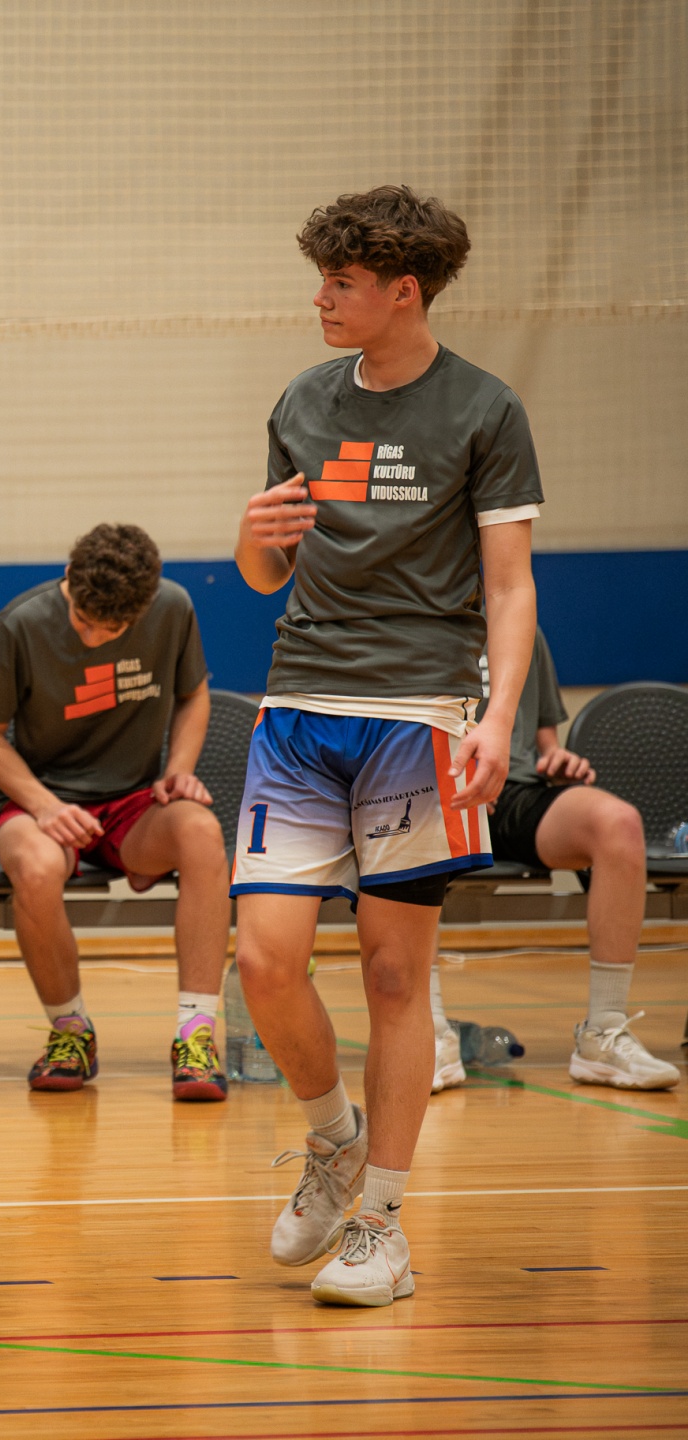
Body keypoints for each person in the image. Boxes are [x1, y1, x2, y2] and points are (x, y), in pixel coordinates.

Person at [233, 185, 541, 1308]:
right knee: (264, 961)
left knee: (394, 971)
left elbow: (509, 588)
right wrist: (250, 540)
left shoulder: (485, 409)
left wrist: (496, 717)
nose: (320, 299)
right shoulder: (302, 402)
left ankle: (383, 1227)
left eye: (343, 283)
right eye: (321, 279)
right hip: (299, 705)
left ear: (405, 292)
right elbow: (267, 571)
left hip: (421, 712)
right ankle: (334, 1141)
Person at [0, 524, 230, 1100]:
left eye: (108, 631)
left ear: (143, 609)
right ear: (69, 580)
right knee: (37, 866)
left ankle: (195, 1036)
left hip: (134, 802)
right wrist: (44, 806)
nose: (91, 637)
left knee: (202, 833)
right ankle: (70, 1031)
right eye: (82, 620)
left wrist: (178, 770)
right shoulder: (20, 624)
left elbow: (193, 694)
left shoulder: (174, 608)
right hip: (37, 798)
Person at [430, 626, 679, 1091]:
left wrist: (557, 760)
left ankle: (603, 1033)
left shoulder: (518, 622)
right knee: (410, 829)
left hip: (514, 792)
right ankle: (428, 1034)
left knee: (618, 824)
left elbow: (545, 742)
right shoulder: (404, 613)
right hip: (430, 788)